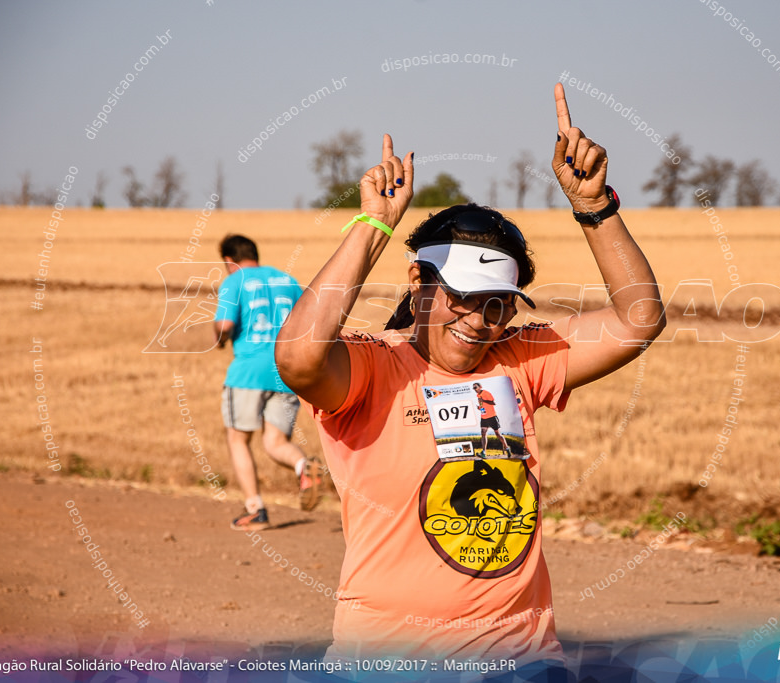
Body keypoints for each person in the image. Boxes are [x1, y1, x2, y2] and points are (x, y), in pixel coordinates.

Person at [275, 84, 665, 667]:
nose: (478, 320)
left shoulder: (521, 360)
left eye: (497, 304)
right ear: (418, 283)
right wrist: (373, 225)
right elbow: (300, 356)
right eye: (461, 296)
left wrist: (595, 208)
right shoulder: (372, 365)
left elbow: (639, 320)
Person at [213, 234, 321, 530]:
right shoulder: (287, 280)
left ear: (228, 261)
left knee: (238, 438)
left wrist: (219, 339)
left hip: (248, 372)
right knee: (275, 442)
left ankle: (255, 509)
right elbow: (309, 326)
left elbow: (225, 325)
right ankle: (304, 469)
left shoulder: (235, 281)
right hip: (286, 372)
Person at [473, 382, 512, 457]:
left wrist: (483, 400)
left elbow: (493, 403)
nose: (474, 389)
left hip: (492, 417)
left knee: (497, 434)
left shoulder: (486, 393)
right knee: (483, 433)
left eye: (475, 387)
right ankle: (484, 452)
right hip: (484, 417)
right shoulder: (478, 395)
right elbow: (482, 405)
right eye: (473, 388)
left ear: (480, 386)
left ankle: (507, 448)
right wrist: (479, 407)